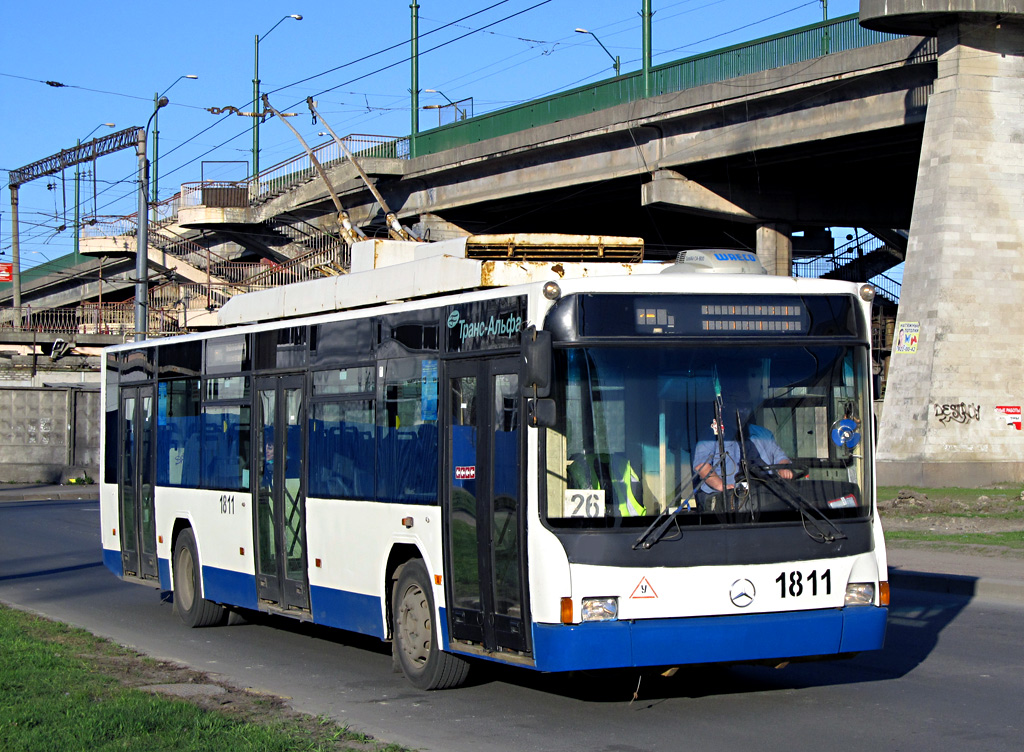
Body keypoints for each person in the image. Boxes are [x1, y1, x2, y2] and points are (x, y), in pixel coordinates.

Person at [692, 415, 793, 510]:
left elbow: (781, 458)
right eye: (736, 406)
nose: (741, 411)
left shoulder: (763, 434)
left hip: (764, 497)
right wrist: (722, 486)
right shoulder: (712, 434)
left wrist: (783, 468)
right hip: (724, 502)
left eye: (745, 406)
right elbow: (702, 466)